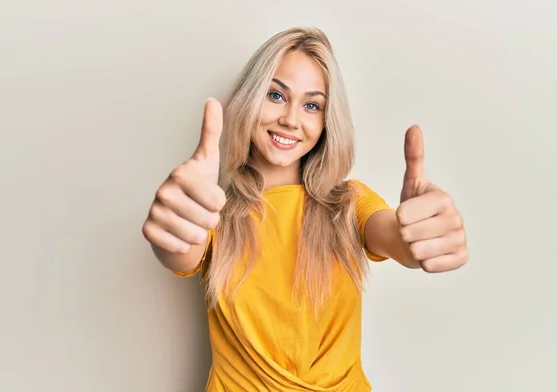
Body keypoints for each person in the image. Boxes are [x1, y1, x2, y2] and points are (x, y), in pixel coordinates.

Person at [142, 27, 468, 392]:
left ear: (328, 121)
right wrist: (172, 229)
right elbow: (180, 251)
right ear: (251, 98)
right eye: (276, 95)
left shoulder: (349, 202)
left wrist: (422, 236)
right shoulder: (213, 208)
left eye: (312, 105)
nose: (291, 120)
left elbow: (394, 236)